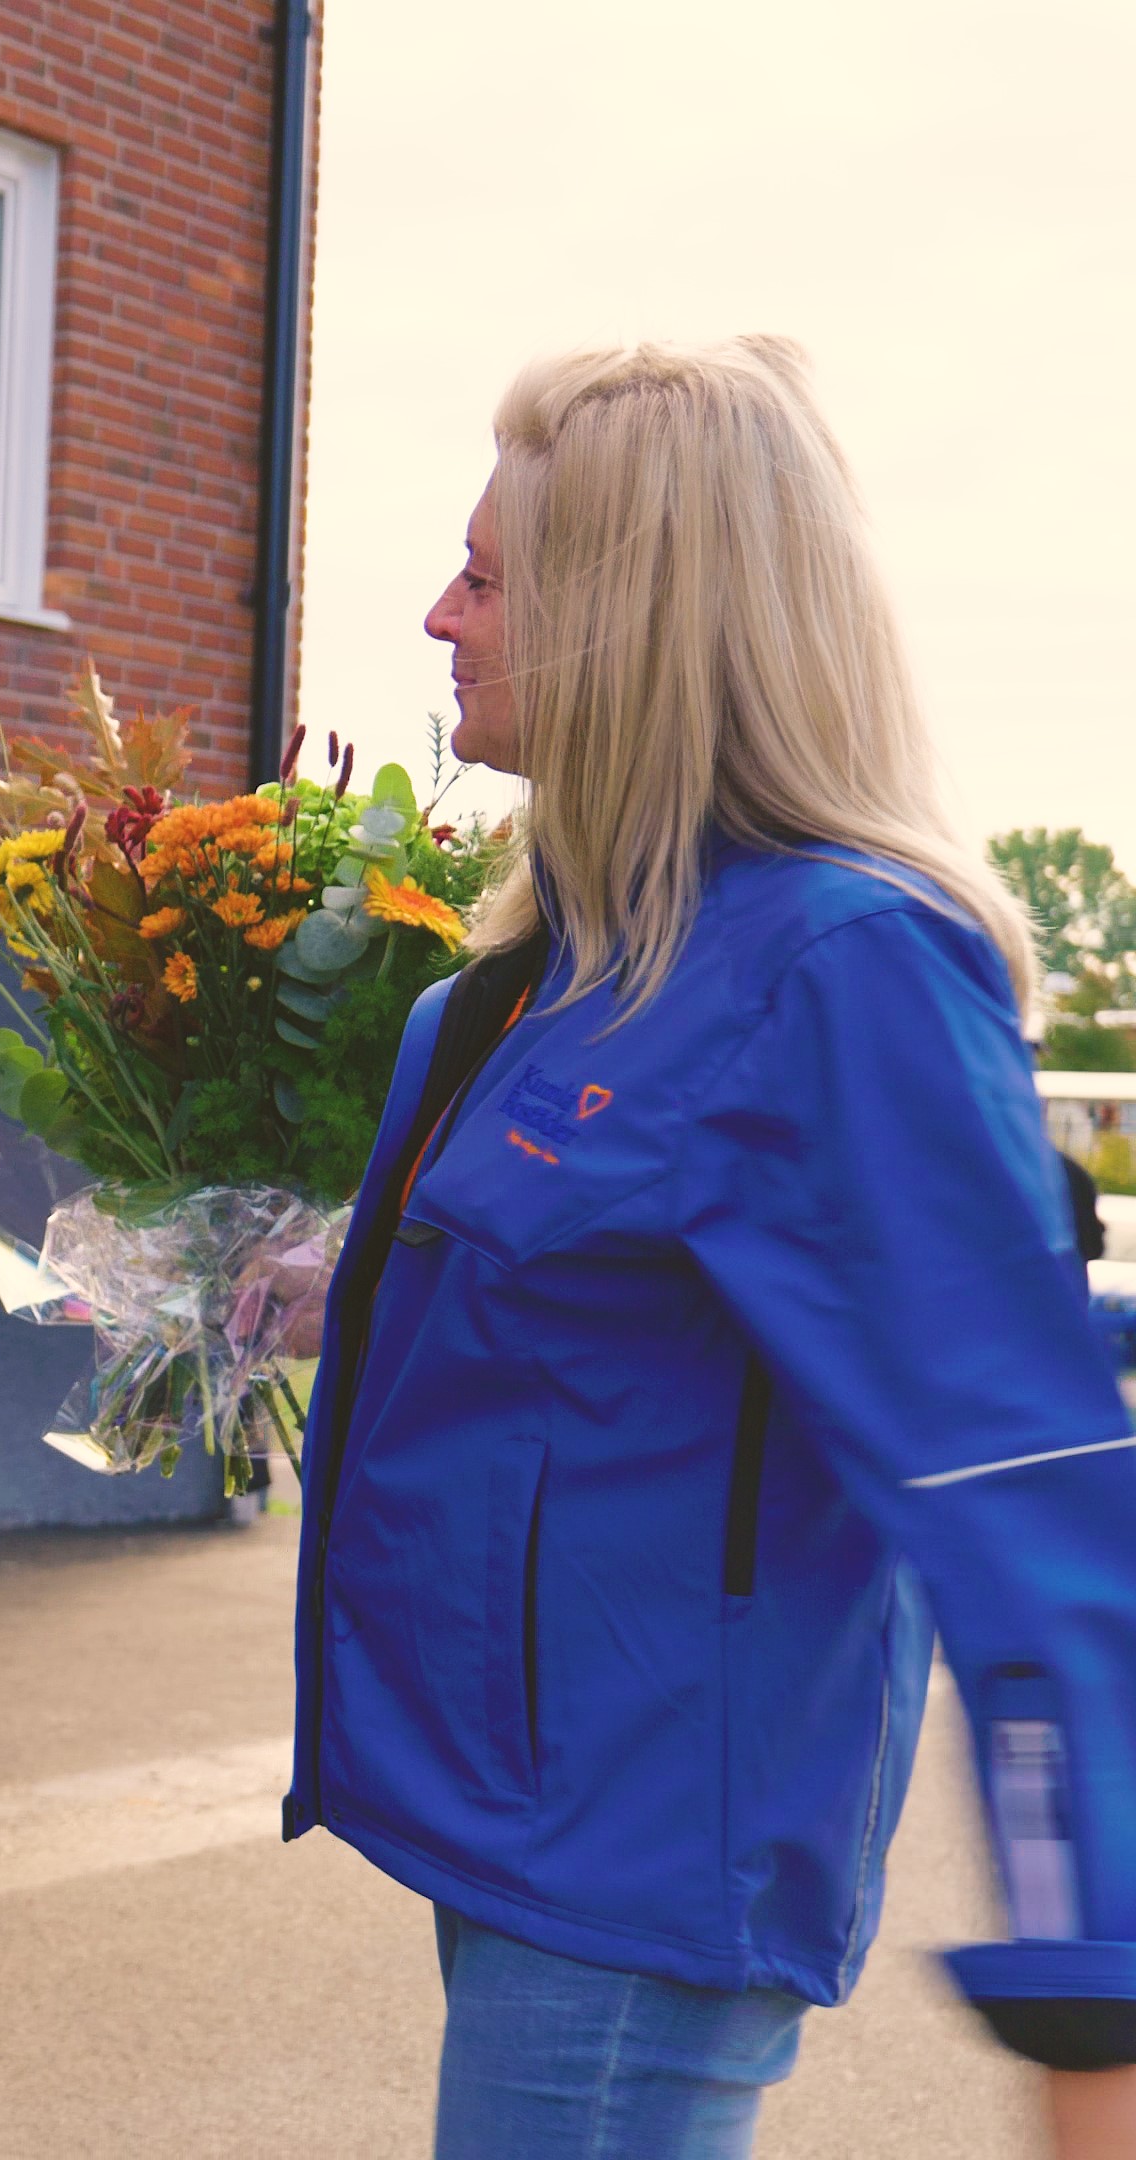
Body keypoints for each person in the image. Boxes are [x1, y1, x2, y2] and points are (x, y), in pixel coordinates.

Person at [291, 336, 1136, 2160]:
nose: (440, 614)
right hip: (503, 1831)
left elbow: (1030, 1501)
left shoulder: (843, 972)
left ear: (633, 618)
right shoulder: (536, 975)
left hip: (636, 1869)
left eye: (492, 578)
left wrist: (1103, 2002)